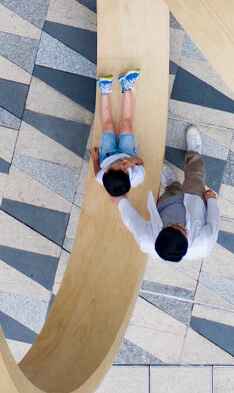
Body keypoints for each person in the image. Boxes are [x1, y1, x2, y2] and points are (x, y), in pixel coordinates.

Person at [117, 126, 220, 264]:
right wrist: (212, 201)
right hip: (195, 201)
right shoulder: (205, 242)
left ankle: (173, 183)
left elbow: (131, 219)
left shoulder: (146, 240)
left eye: (171, 225)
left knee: (171, 191)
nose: (178, 223)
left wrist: (120, 200)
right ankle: (194, 152)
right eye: (182, 229)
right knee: (196, 176)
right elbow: (213, 221)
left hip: (168, 205)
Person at [92, 69, 145, 198]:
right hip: (128, 154)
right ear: (126, 172)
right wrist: (131, 160)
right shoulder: (138, 176)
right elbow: (140, 161)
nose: (116, 162)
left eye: (109, 167)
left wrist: (95, 160)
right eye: (119, 165)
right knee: (126, 123)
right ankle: (126, 86)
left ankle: (104, 90)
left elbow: (97, 172)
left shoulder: (103, 177)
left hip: (107, 154)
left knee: (108, 124)